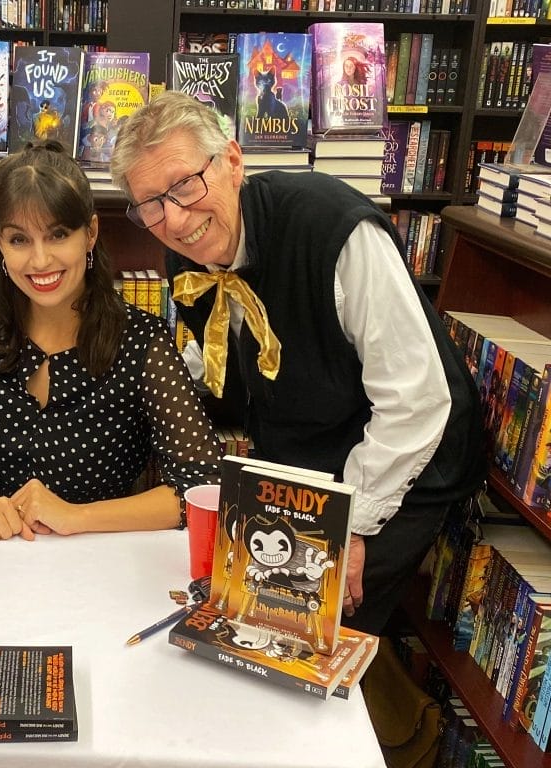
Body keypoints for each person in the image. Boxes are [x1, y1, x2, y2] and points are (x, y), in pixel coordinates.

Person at [109, 91, 486, 635]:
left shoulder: (331, 228)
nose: (175, 218)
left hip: (404, 467)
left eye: (186, 184)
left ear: (233, 162)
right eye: (151, 203)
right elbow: (213, 360)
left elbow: (416, 399)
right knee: (225, 607)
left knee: (306, 623)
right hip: (302, 461)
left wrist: (349, 528)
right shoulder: (184, 250)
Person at [0, 142, 220, 541]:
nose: (40, 260)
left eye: (58, 234)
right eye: (19, 240)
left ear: (90, 233)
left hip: (99, 569)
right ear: (0, 245)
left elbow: (204, 487)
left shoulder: (142, 342)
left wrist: (75, 516)